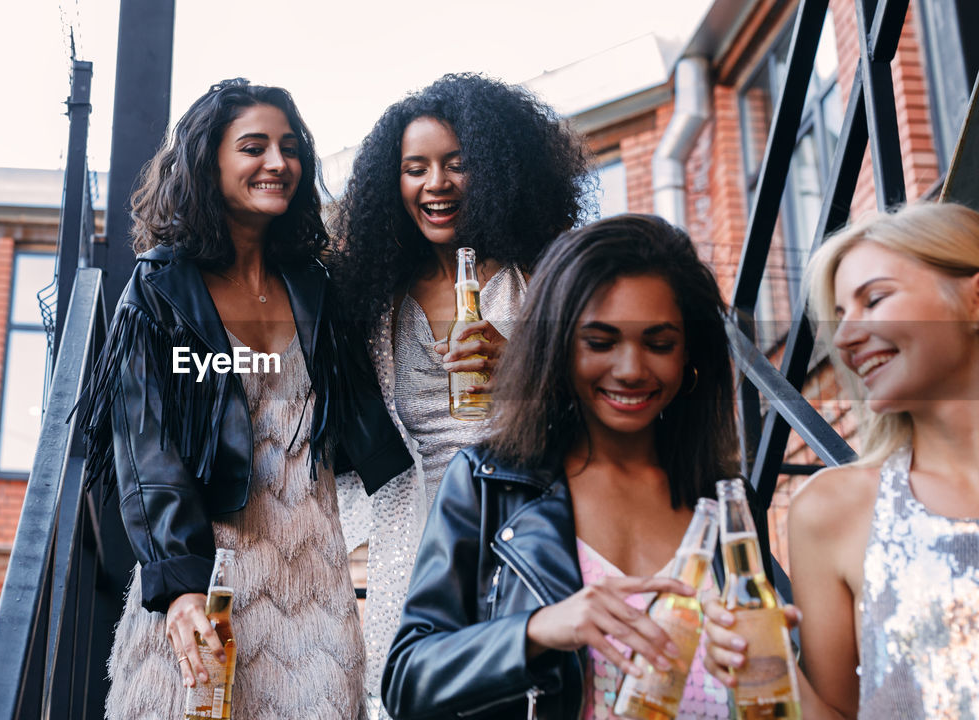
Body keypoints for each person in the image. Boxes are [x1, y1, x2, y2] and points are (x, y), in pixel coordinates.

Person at [78, 78, 412, 720]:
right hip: (209, 577)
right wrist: (178, 586)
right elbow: (146, 449)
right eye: (253, 147)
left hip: (315, 582)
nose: (277, 163)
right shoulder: (161, 291)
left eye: (289, 148)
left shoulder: (318, 288)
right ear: (210, 162)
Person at [382, 214, 741, 719]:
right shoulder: (488, 484)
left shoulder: (726, 502)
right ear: (557, 348)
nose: (631, 368)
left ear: (690, 358)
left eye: (659, 344)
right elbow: (407, 681)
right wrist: (540, 629)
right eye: (600, 342)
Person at [329, 73, 592, 715]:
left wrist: (527, 370)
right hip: (414, 540)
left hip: (525, 520)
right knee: (417, 694)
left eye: (456, 164)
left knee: (523, 690)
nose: (435, 184)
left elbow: (610, 403)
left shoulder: (546, 276)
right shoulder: (372, 299)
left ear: (500, 171)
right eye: (414, 168)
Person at [702, 201, 979, 719]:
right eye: (840, 317)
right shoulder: (833, 509)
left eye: (874, 299)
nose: (847, 339)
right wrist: (770, 666)